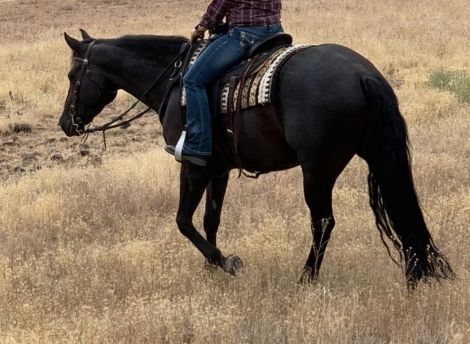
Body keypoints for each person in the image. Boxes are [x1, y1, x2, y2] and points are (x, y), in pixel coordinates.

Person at [165, 0, 284, 166]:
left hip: (244, 35)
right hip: (275, 31)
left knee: (192, 80)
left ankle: (198, 145)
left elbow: (221, 4)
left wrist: (201, 28)